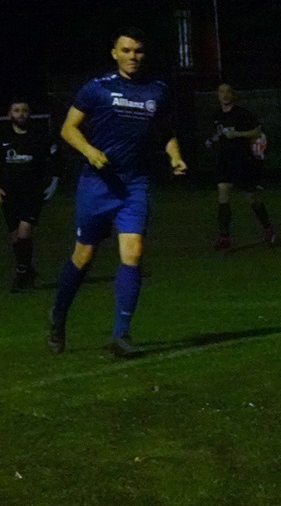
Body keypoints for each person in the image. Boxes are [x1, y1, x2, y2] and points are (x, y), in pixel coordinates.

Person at [46, 27, 186, 358]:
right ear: (114, 53)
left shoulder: (157, 90)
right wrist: (89, 151)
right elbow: (68, 128)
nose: (132, 56)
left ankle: (121, 335)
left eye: (138, 51)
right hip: (97, 184)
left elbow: (166, 131)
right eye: (126, 50)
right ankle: (57, 317)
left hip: (134, 183)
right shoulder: (97, 88)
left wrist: (175, 156)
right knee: (84, 257)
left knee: (133, 252)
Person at [0, 97, 59, 292]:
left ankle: (21, 274)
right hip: (9, 194)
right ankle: (27, 270)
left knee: (24, 231)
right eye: (16, 110)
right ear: (9, 114)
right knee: (15, 237)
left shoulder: (40, 137)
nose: (21, 114)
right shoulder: (1, 138)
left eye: (24, 110)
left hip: (32, 193)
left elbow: (56, 161)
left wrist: (53, 183)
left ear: (30, 114)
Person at [207, 83, 276, 249]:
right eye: (221, 92)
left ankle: (268, 227)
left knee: (251, 198)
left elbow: (257, 131)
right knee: (223, 193)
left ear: (233, 94)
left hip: (242, 160)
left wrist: (237, 134)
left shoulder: (242, 113)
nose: (224, 95)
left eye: (227, 92)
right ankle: (224, 237)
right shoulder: (217, 115)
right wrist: (213, 140)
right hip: (225, 160)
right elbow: (219, 133)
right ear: (218, 95)